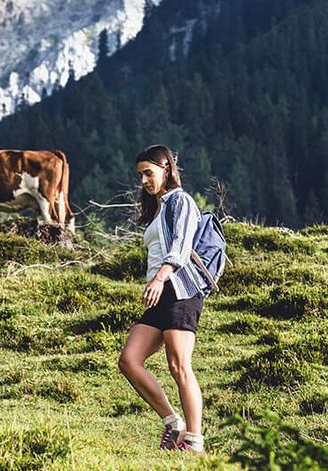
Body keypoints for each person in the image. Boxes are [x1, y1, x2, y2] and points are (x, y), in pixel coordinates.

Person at [116, 145, 209, 452]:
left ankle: (194, 441)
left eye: (149, 173)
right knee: (129, 360)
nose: (143, 180)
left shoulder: (180, 200)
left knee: (178, 365)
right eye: (141, 174)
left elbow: (181, 246)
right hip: (160, 293)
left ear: (167, 169)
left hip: (180, 290)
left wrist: (159, 278)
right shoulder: (159, 208)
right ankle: (173, 423)